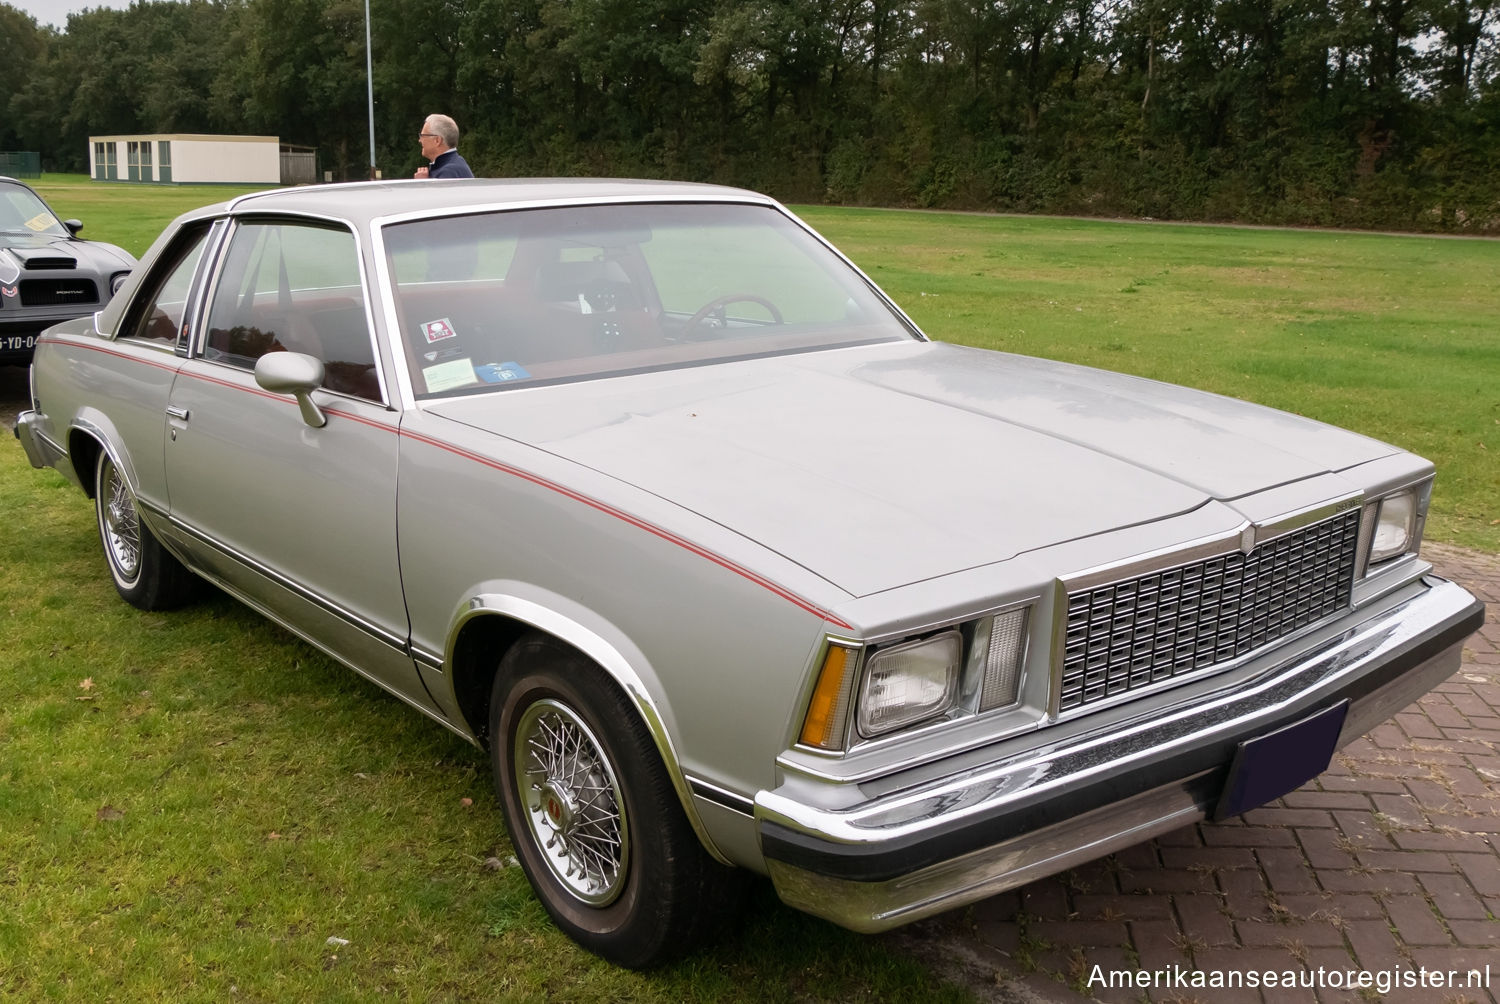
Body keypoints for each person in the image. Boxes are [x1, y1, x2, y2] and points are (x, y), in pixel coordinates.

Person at [414, 114, 474, 179]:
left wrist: (422, 184)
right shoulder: (455, 164)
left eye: (423, 136)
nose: (420, 140)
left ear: (437, 140)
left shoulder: (448, 172)